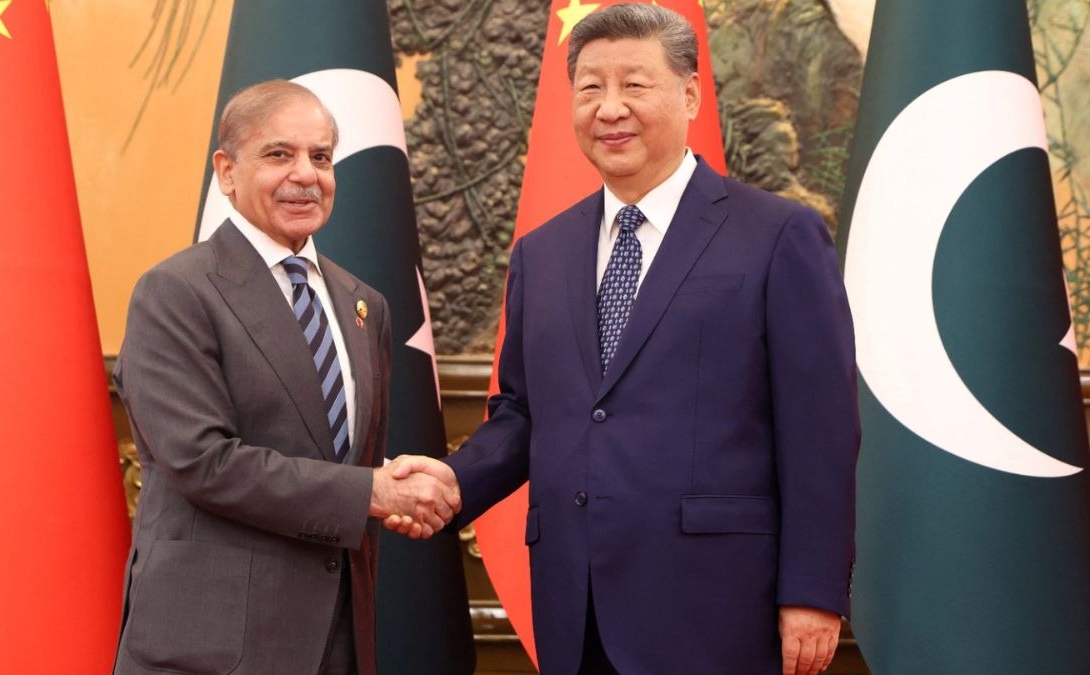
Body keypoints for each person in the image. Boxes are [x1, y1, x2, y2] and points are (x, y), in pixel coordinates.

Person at [389, 5, 859, 675]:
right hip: (575, 605)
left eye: (635, 85)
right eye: (590, 88)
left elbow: (821, 428)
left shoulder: (778, 237)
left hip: (720, 605)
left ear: (689, 93)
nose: (610, 108)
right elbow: (525, 412)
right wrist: (454, 479)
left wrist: (812, 590)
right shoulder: (541, 254)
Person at [111, 80, 459, 675]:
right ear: (226, 171)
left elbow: (351, 467)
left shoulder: (363, 304)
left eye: (321, 157)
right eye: (279, 155)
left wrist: (394, 489)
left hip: (338, 642)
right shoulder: (175, 292)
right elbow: (204, 464)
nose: (306, 175)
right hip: (213, 649)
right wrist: (376, 492)